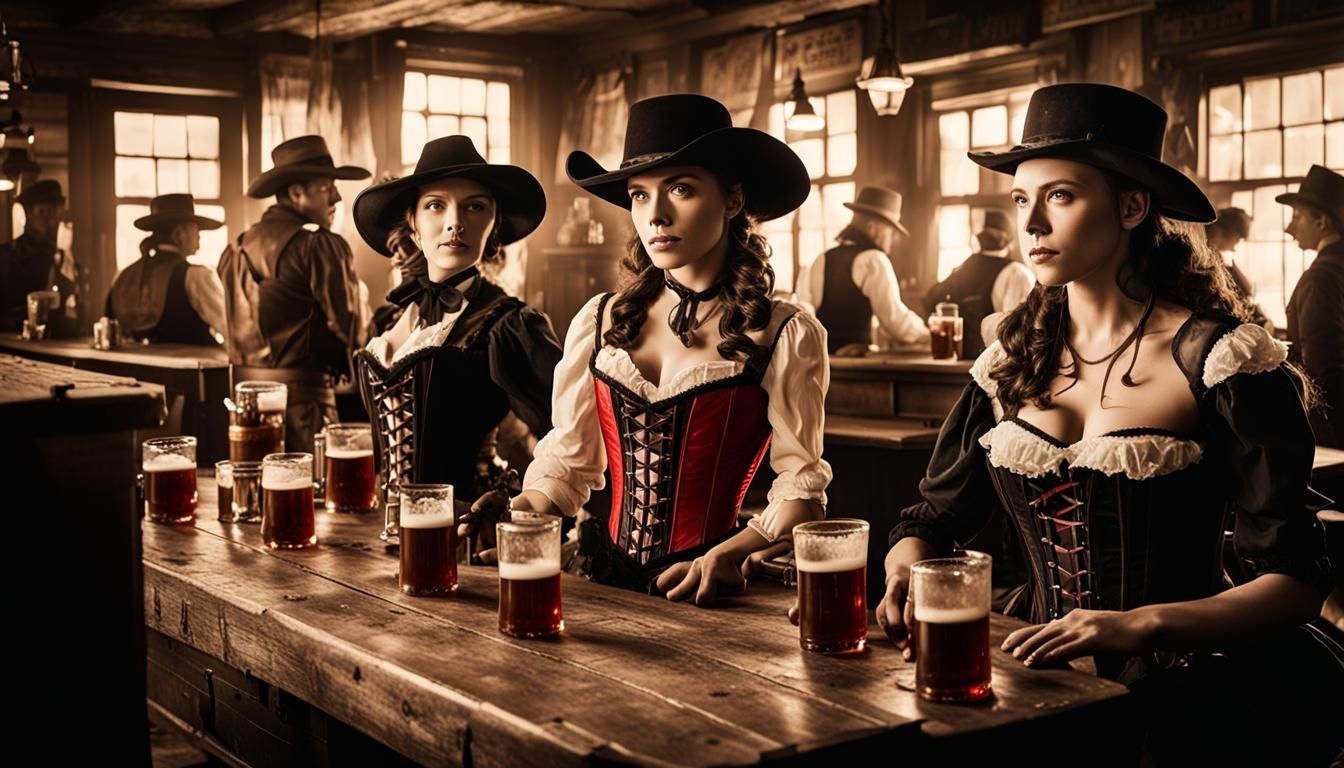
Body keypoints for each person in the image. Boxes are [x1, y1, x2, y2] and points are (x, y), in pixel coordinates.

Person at [873, 84, 1341, 764]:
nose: (1031, 224)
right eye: (1020, 200)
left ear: (1131, 206)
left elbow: (1297, 586)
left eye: (1059, 196)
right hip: (1028, 672)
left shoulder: (1221, 362)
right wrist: (902, 575)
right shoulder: (1009, 362)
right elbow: (928, 523)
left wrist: (1138, 625)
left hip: (1187, 684)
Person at [514, 93, 831, 604]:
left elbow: (802, 492)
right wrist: (518, 516)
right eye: (639, 195)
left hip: (711, 593)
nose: (656, 215)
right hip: (606, 586)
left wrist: (728, 553)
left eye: (680, 189)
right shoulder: (600, 321)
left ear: (732, 201)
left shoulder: (783, 333)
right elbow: (567, 467)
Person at [350, 135, 561, 517]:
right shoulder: (390, 319)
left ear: (494, 225)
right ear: (413, 225)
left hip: (463, 533)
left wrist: (521, 504)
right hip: (378, 532)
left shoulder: (508, 324)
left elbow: (573, 437)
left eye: (474, 207)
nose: (455, 223)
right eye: (435, 206)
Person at [218, 135, 370, 453]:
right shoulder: (320, 245)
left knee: (256, 495)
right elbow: (350, 330)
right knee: (314, 498)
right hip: (305, 408)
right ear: (296, 193)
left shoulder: (234, 248)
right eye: (327, 188)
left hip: (244, 409)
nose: (337, 198)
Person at [798, 185, 928, 354]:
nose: (892, 239)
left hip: (825, 363)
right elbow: (894, 320)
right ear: (873, 228)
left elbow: (807, 312)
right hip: (858, 366)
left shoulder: (821, 258)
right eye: (890, 230)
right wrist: (929, 334)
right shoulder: (874, 260)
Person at [1278, 164, 1344, 449]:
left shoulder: (1320, 279)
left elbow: (1322, 369)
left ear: (1322, 221)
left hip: (1333, 429)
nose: (1289, 228)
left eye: (1297, 217)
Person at [105, 193, 227, 345]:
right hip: (194, 366)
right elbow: (230, 328)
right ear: (179, 234)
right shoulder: (195, 276)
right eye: (196, 230)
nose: (199, 237)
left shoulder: (123, 277)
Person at [924, 209, 1035, 358]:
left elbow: (931, 300)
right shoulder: (1017, 273)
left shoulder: (961, 270)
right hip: (995, 368)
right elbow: (1016, 336)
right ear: (1010, 242)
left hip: (957, 362)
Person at [0, 179, 77, 335]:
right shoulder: (5, 257)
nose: (52, 221)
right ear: (27, 214)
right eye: (43, 212)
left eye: (56, 213)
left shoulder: (63, 260)